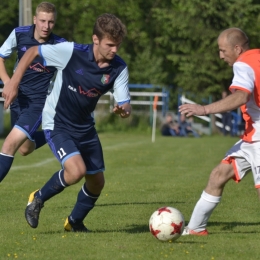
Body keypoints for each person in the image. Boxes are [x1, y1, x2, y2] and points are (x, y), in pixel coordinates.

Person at [4, 13, 131, 232]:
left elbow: (125, 102)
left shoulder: (118, 68)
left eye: (118, 45)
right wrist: (13, 82)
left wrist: (124, 110)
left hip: (85, 128)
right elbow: (33, 51)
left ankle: (74, 222)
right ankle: (37, 199)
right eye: (110, 45)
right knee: (76, 170)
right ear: (95, 40)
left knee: (97, 182)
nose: (115, 50)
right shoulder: (71, 52)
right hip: (58, 123)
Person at [179, 27, 258, 235]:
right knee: (218, 175)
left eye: (223, 50)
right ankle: (195, 228)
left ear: (237, 48)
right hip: (251, 138)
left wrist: (203, 109)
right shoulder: (257, 58)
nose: (220, 56)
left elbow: (240, 97)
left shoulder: (242, 64)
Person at [0, 2, 66, 182]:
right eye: (43, 21)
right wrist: (8, 83)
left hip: (39, 103)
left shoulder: (61, 45)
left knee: (9, 144)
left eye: (51, 22)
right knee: (25, 149)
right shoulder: (19, 34)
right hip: (17, 98)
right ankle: (53, 130)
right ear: (35, 19)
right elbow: (0, 58)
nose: (46, 26)